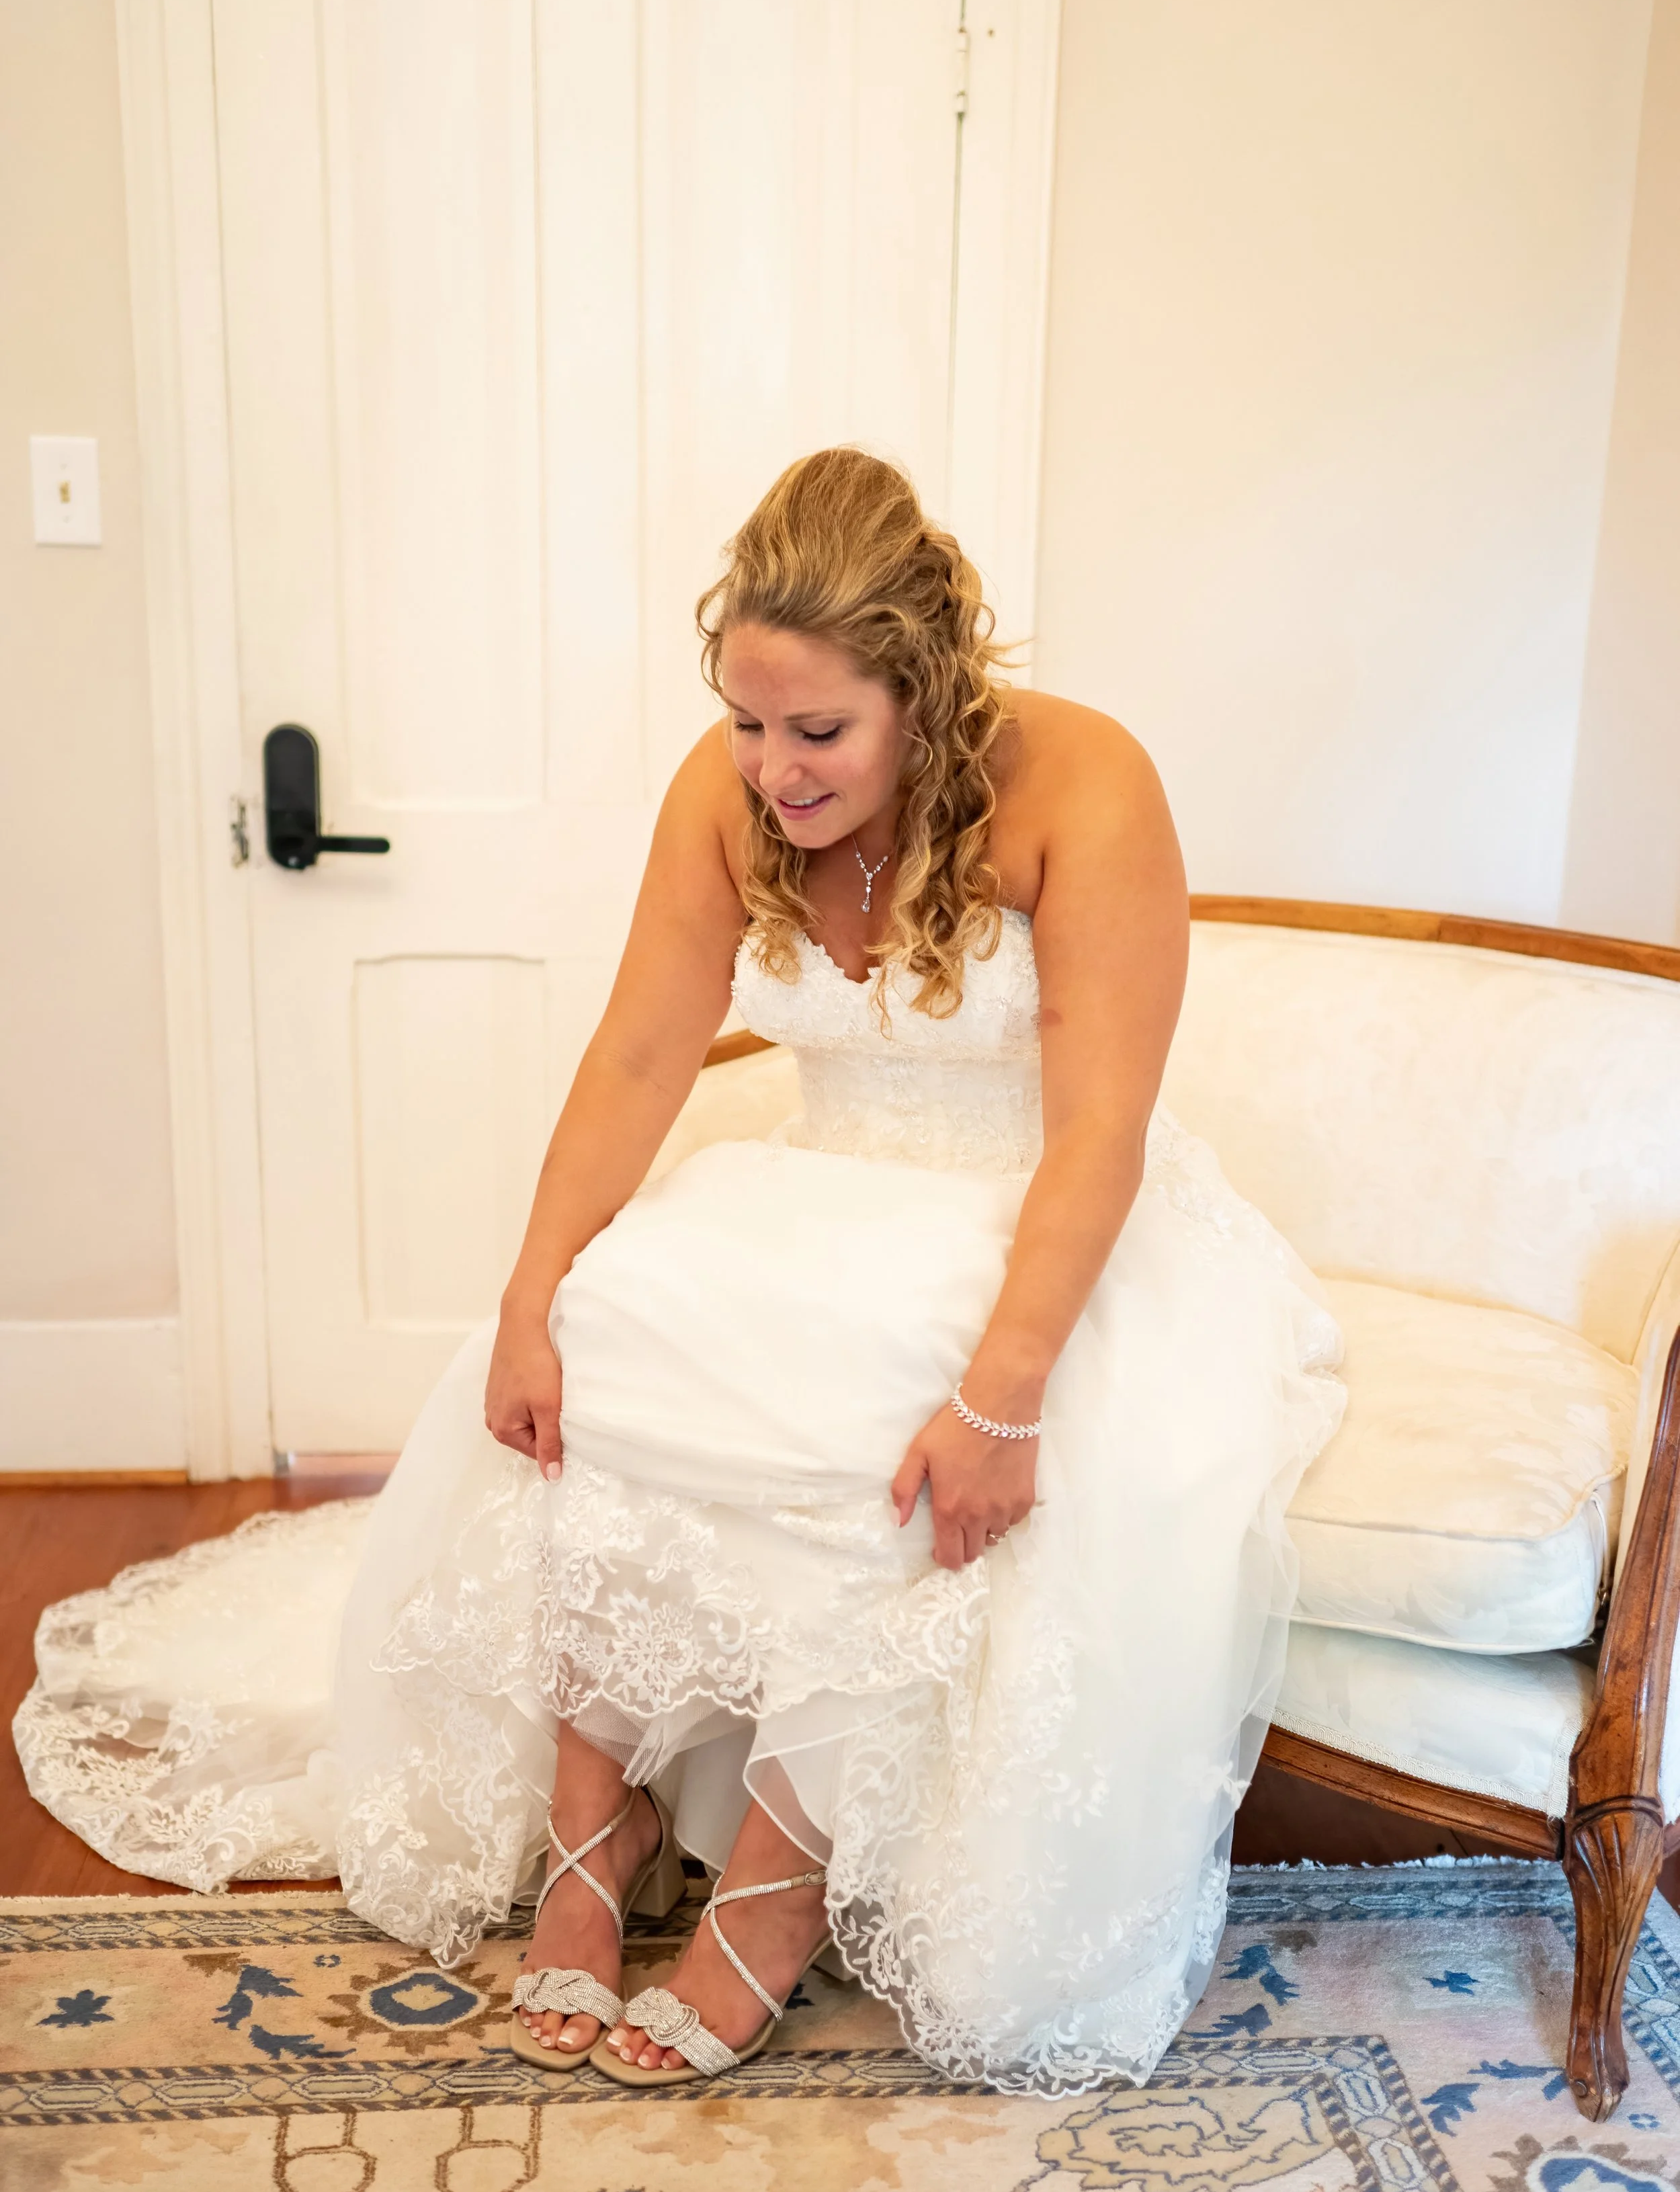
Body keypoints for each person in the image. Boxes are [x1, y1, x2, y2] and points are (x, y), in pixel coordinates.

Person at [16, 450, 1343, 2096]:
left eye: (817, 732)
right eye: (744, 721)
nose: (771, 770)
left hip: (1037, 1213)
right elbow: (641, 1056)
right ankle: (600, 1833)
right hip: (821, 1186)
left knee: (880, 1410)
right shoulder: (726, 798)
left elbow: (1095, 1135)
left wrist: (1001, 1402)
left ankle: (772, 1893)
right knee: (610, 1332)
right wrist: (526, 1300)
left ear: (924, 694)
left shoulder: (1087, 785)